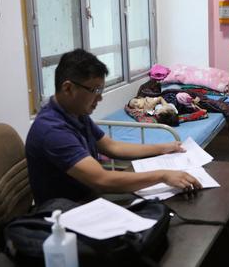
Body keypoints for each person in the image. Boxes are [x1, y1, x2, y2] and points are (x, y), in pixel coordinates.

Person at [26, 49, 201, 205]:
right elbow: (102, 180)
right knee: (157, 209)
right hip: (67, 214)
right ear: (68, 88)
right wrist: (163, 175)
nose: (99, 98)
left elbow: (112, 146)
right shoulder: (52, 131)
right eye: (95, 91)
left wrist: (163, 148)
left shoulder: (75, 114)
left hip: (88, 199)